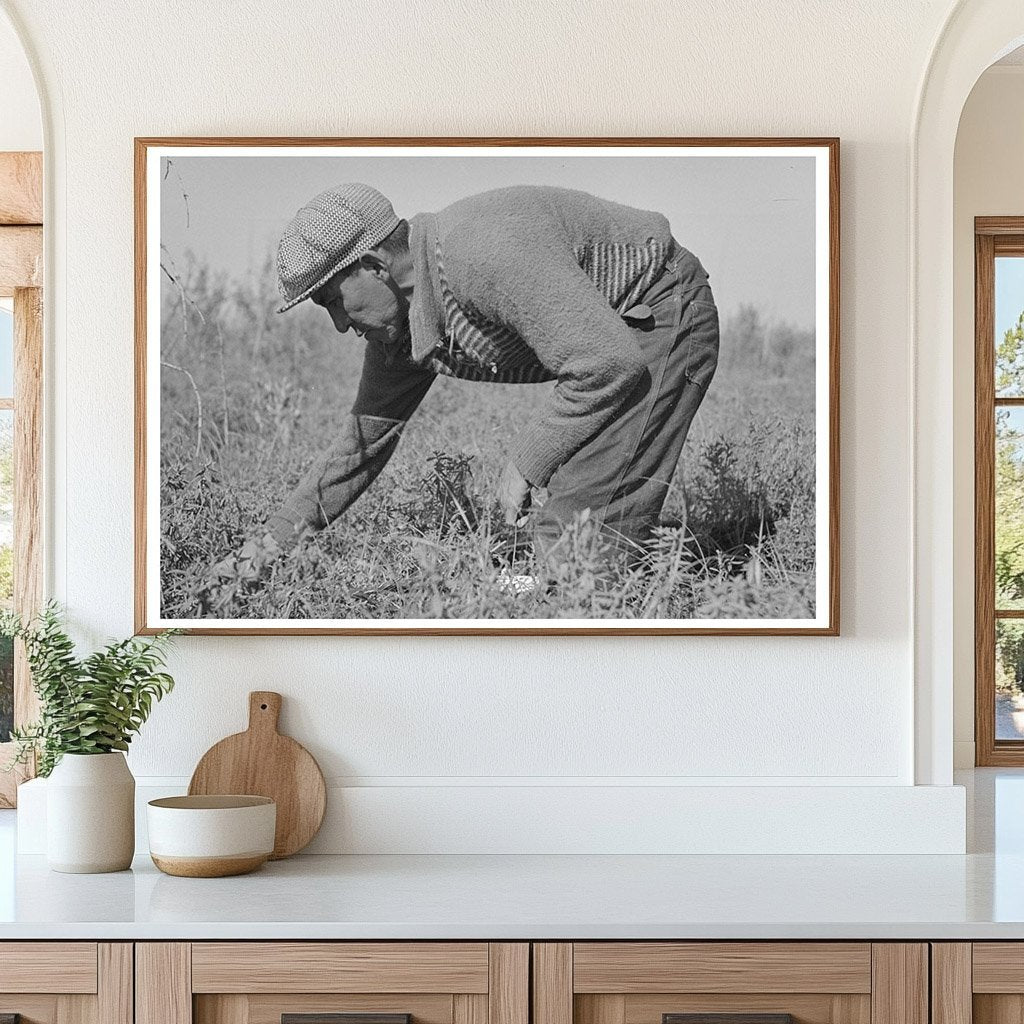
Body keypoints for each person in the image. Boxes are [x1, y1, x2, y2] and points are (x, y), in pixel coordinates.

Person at [215, 181, 719, 584]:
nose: (341, 326)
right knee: (562, 540)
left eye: (334, 301)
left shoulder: (480, 254)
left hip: (658, 311)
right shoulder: (404, 326)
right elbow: (360, 448)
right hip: (611, 340)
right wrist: (257, 556)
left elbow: (607, 363)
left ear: (374, 266)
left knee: (579, 545)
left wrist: (524, 464)